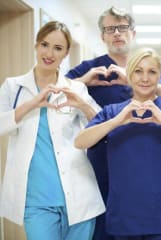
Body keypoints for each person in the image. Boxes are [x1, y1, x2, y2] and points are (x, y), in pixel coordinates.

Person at [74, 47, 161, 240]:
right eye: (138, 71)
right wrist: (118, 121)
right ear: (130, 75)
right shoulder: (113, 111)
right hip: (125, 215)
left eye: (152, 72)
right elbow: (81, 141)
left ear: (160, 76)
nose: (145, 78)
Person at [66, 7, 161, 240]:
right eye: (110, 29)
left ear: (133, 33)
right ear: (102, 36)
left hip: (146, 162)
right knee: (106, 227)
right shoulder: (91, 67)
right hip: (103, 161)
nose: (117, 33)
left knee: (144, 224)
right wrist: (83, 81)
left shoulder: (146, 66)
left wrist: (133, 78)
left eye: (122, 28)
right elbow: (57, 93)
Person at [0, 21, 105, 240]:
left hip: (78, 195)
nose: (49, 53)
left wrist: (82, 105)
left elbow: (103, 128)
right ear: (36, 46)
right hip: (35, 199)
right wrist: (31, 104)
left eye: (58, 48)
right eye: (45, 45)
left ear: (66, 53)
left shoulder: (76, 88)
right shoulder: (14, 87)